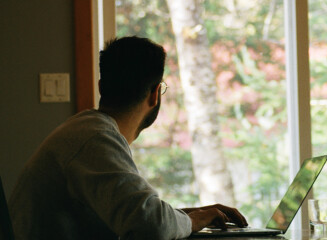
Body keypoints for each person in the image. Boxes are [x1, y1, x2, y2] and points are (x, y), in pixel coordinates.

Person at [9, 36, 248, 240]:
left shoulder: (86, 131)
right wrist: (194, 220)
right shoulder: (95, 138)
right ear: (155, 94)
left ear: (101, 87)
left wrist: (189, 217)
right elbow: (151, 225)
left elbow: (136, 215)